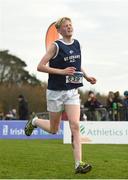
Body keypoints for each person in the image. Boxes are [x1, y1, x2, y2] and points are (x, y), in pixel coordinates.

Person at [24, 17, 96, 174]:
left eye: (70, 25)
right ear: (59, 30)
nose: (69, 27)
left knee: (75, 126)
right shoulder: (55, 46)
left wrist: (86, 76)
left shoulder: (77, 44)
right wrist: (61, 72)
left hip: (72, 92)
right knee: (54, 129)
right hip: (55, 92)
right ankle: (35, 121)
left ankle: (79, 164)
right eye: (66, 26)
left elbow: (77, 65)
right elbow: (40, 66)